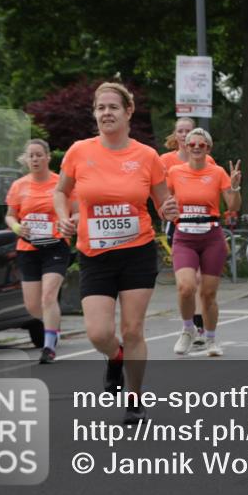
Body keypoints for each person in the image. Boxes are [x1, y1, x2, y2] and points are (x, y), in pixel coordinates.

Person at [54, 81, 178, 425]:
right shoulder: (79, 151)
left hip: (136, 251)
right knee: (98, 332)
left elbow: (163, 204)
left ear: (128, 112)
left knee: (134, 328)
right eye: (100, 108)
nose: (106, 113)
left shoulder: (146, 156)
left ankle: (135, 399)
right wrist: (64, 219)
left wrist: (170, 208)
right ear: (95, 114)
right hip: (95, 254)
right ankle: (115, 356)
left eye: (112, 107)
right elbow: (60, 192)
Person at [166, 128, 241, 357]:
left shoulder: (217, 172)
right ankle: (188, 329)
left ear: (208, 148)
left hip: (211, 236)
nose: (197, 148)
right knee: (186, 287)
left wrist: (235, 187)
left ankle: (210, 339)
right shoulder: (175, 172)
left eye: (202, 145)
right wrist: (166, 211)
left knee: (208, 294)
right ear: (185, 147)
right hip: (184, 236)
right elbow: (164, 199)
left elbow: (233, 206)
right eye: (192, 145)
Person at [5, 138, 77, 364]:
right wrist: (17, 226)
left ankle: (48, 347)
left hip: (55, 245)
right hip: (28, 248)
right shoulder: (19, 186)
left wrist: (69, 222)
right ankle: (52, 322)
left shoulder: (61, 183)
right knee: (33, 305)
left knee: (48, 296)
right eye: (31, 156)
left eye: (39, 155)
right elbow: (10, 215)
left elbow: (77, 212)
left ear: (48, 157)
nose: (35, 159)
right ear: (25, 160)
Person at [159, 116, 214, 338]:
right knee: (188, 280)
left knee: (201, 277)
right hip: (178, 225)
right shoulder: (165, 161)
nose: (184, 135)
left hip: (203, 225)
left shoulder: (208, 161)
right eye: (180, 131)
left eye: (188, 131)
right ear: (176, 135)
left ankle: (199, 321)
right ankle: (189, 319)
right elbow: (159, 191)